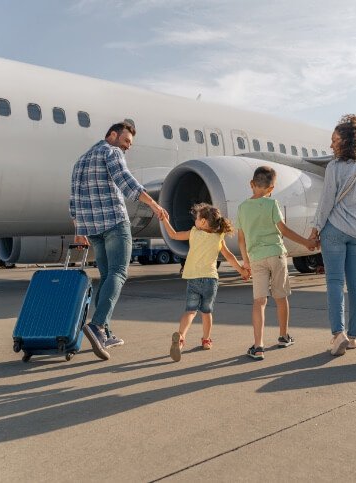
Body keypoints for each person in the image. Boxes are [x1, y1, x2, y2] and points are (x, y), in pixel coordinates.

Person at [70, 121, 166, 360]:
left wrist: (78, 230)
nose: (127, 147)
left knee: (107, 276)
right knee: (119, 273)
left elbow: (74, 199)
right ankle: (98, 325)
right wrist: (154, 204)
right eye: (126, 141)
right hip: (114, 223)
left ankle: (106, 332)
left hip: (92, 228)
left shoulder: (80, 160)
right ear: (112, 135)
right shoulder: (110, 152)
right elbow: (126, 181)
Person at [310, 114, 356, 356]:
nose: (331, 145)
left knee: (335, 283)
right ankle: (353, 337)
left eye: (334, 140)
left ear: (345, 142)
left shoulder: (334, 167)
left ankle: (337, 334)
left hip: (335, 232)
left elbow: (326, 201)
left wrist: (315, 229)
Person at [237, 166, 318, 360]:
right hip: (276, 254)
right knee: (281, 297)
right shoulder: (272, 203)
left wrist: (245, 262)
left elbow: (241, 239)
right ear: (271, 188)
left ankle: (258, 347)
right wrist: (306, 242)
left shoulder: (242, 208)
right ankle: (283, 336)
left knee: (259, 302)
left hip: (256, 258)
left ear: (251, 184)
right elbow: (284, 230)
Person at [161, 203, 249, 362]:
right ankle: (206, 340)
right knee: (206, 312)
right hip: (210, 279)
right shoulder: (218, 237)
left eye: (197, 217)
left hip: (193, 278)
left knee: (190, 311)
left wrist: (165, 220)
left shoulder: (194, 233)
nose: (195, 219)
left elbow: (173, 235)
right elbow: (229, 256)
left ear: (202, 222)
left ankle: (180, 338)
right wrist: (242, 270)